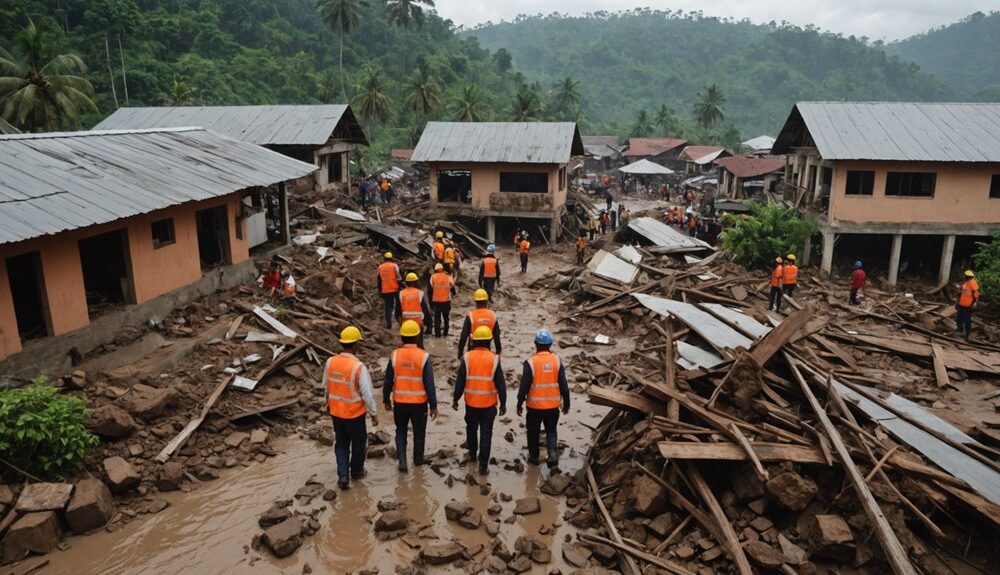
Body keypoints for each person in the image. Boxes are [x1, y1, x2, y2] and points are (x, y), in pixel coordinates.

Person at [324, 326, 378, 490]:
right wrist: (374, 413)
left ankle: (343, 475)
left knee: (341, 444)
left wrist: (327, 404)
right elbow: (367, 394)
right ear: (355, 344)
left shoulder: (330, 362)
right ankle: (356, 472)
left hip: (336, 413)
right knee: (359, 443)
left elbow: (327, 387)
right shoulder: (358, 367)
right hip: (354, 414)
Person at [383, 320, 437, 473]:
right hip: (419, 404)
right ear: (417, 337)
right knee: (419, 432)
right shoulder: (424, 357)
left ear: (402, 337)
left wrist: (386, 399)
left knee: (400, 431)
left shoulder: (395, 355)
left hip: (400, 402)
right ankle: (418, 460)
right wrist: (433, 405)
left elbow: (388, 380)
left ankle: (402, 460)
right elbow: (429, 383)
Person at [453, 326, 506, 475]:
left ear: (474, 341)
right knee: (486, 434)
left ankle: (472, 454)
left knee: (471, 429)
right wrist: (503, 403)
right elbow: (501, 383)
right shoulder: (494, 359)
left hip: (471, 404)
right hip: (489, 405)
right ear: (489, 341)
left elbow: (460, 381)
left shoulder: (467, 357)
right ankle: (483, 465)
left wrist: (456, 399)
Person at [517, 329, 570, 469]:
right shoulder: (557, 361)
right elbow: (564, 385)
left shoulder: (530, 362)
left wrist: (519, 402)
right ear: (550, 344)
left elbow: (524, 385)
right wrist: (567, 402)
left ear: (536, 344)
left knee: (533, 432)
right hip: (552, 406)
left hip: (534, 407)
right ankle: (552, 455)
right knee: (551, 431)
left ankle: (534, 458)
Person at [457, 289, 502, 359]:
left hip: (473, 347)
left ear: (475, 301)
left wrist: (460, 351)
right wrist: (498, 352)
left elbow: (464, 335)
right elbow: (497, 336)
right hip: (487, 346)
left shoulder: (470, 316)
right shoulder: (493, 316)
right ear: (487, 301)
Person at [397, 272, 432, 343]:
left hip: (406, 324)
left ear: (406, 282)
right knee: (419, 345)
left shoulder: (401, 293)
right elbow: (425, 311)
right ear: (416, 282)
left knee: (406, 344)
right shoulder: (419, 293)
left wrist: (400, 322)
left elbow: (397, 311)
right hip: (418, 323)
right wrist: (429, 325)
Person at [429, 263, 456, 337]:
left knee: (437, 319)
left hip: (437, 301)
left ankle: (437, 335)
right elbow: (452, 285)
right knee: (446, 318)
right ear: (442, 269)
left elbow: (431, 285)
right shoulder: (448, 276)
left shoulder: (433, 277)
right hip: (446, 301)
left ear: (436, 269)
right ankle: (445, 333)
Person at [377, 252, 402, 328]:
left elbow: (379, 279)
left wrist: (380, 290)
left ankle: (389, 323)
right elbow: (399, 277)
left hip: (385, 290)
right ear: (391, 258)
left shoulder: (380, 267)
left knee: (388, 306)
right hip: (395, 288)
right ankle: (398, 318)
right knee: (399, 304)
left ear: (384, 259)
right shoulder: (394, 266)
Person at [956, 270, 980, 338]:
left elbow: (976, 294)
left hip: (968, 306)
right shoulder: (966, 283)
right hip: (962, 304)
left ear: (968, 276)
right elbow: (962, 293)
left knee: (967, 320)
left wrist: (974, 303)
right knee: (959, 318)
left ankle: (967, 333)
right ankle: (959, 330)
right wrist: (957, 302)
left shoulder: (973, 283)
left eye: (966, 276)